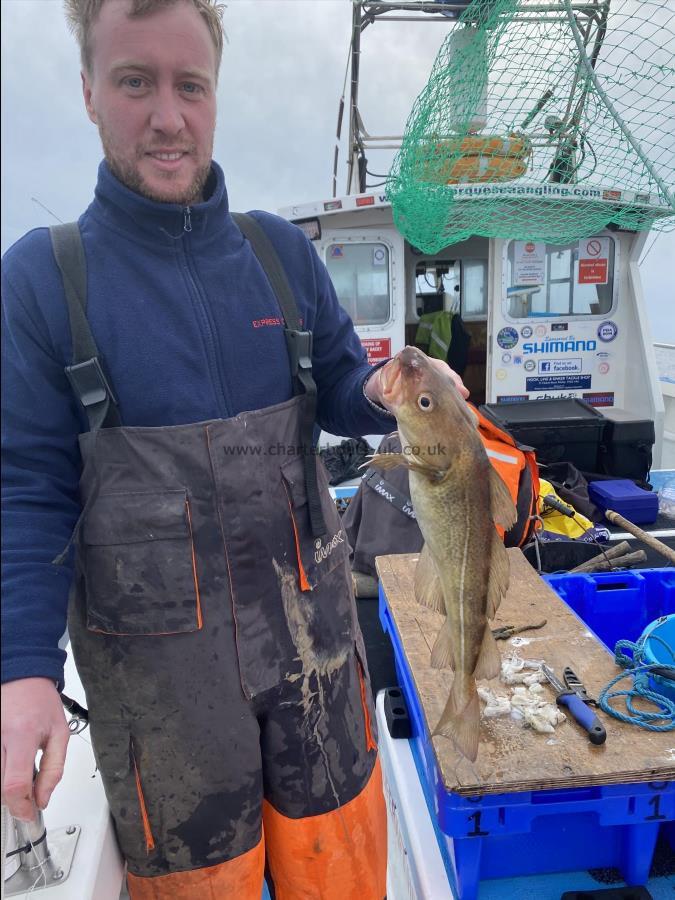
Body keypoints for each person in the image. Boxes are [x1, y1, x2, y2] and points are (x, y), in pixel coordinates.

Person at [1, 1, 468, 896]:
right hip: (163, 706)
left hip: (319, 670)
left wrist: (383, 392)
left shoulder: (280, 254)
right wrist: (21, 672)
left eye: (190, 86)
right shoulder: (41, 281)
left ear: (215, 97)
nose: (167, 116)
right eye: (135, 82)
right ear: (90, 94)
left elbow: (340, 384)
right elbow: (26, 490)